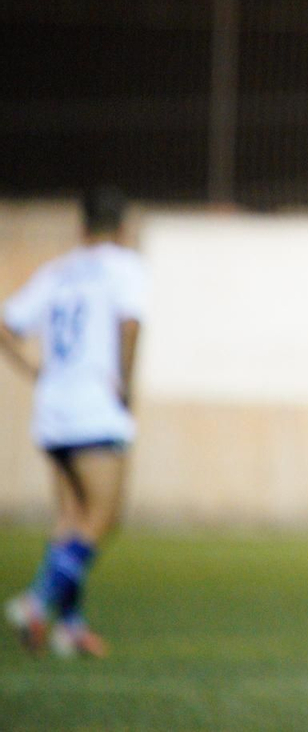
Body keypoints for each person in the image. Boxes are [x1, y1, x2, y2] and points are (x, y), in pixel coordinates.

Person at [2, 187, 147, 659]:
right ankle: (38, 600)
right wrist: (123, 385)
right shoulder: (124, 267)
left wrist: (36, 371)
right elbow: (129, 325)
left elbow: (7, 324)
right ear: (122, 227)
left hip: (53, 408)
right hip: (94, 405)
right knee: (104, 515)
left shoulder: (58, 271)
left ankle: (69, 626)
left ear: (82, 227)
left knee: (69, 519)